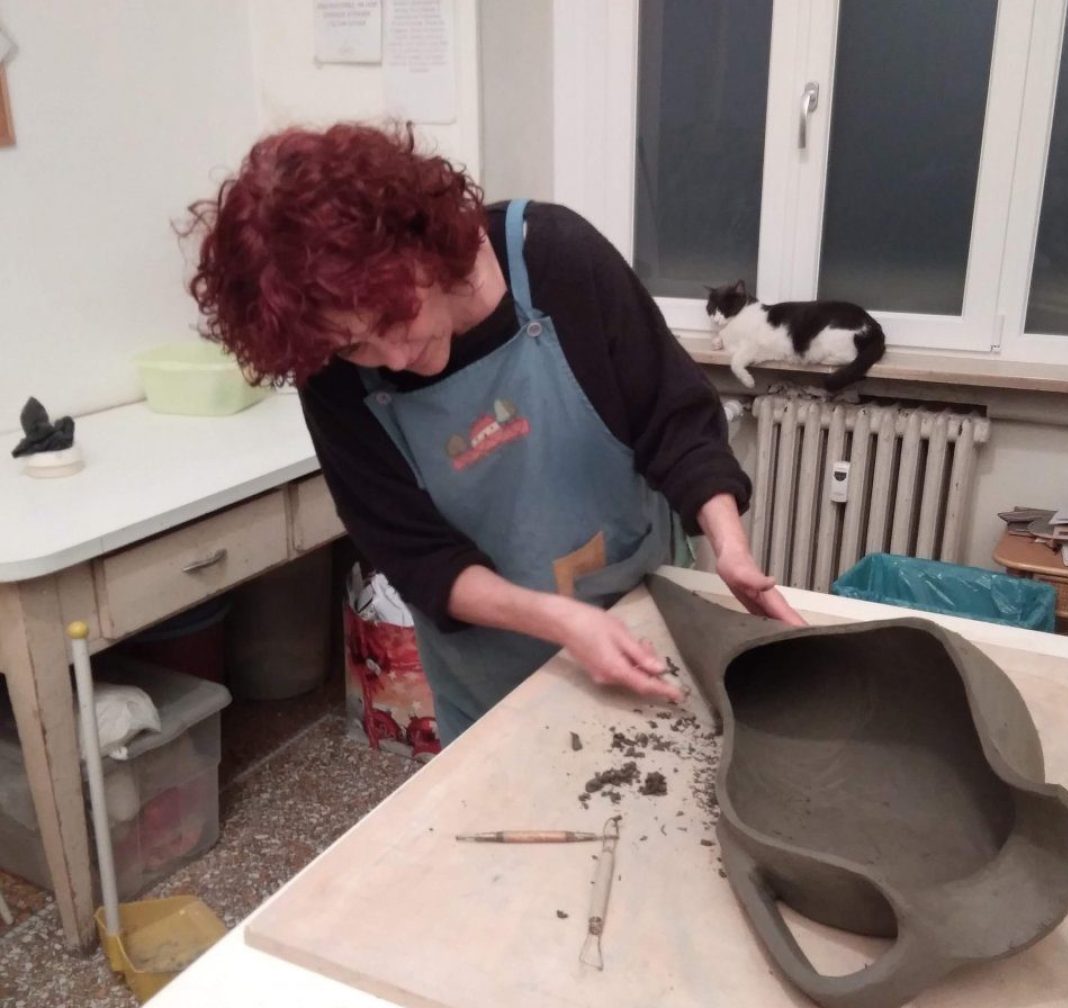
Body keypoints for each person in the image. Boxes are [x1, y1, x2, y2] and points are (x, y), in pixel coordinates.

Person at [183, 122, 804, 744]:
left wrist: (730, 548)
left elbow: (674, 420)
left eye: (394, 315)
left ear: (423, 245)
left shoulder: (556, 258)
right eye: (354, 346)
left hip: (644, 632)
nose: (393, 357)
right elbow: (417, 556)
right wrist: (561, 621)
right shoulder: (333, 377)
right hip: (491, 687)